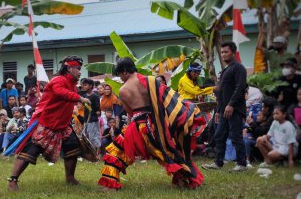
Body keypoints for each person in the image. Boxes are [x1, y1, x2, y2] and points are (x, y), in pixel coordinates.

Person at [98, 57, 206, 190]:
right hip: (157, 126)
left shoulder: (123, 90)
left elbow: (130, 112)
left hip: (138, 127)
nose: (120, 78)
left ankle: (110, 184)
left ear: (125, 71)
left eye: (120, 74)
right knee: (168, 153)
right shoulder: (150, 81)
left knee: (117, 151)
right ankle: (184, 180)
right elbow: (168, 99)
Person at [7, 56, 91, 191]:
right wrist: (80, 98)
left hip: (63, 125)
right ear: (69, 68)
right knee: (31, 151)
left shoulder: (72, 85)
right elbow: (61, 93)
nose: (80, 72)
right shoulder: (58, 80)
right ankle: (12, 180)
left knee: (72, 147)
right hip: (46, 124)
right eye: (78, 69)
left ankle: (70, 178)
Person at [202, 42, 248, 172]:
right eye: (221, 52)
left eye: (226, 52)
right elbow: (222, 92)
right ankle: (218, 163)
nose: (223, 54)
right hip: (223, 111)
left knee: (236, 136)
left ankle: (242, 164)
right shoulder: (225, 70)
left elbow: (240, 88)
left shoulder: (239, 68)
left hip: (235, 109)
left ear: (233, 53)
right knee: (219, 135)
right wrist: (219, 110)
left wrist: (231, 105)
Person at [82, 78, 101, 156]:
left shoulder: (95, 97)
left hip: (92, 120)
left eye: (85, 85)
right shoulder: (84, 96)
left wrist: (98, 112)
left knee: (93, 137)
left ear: (90, 86)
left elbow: (98, 109)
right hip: (86, 120)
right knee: (87, 137)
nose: (83, 86)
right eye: (83, 85)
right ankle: (91, 154)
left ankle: (96, 154)